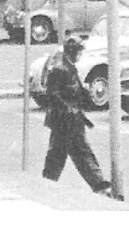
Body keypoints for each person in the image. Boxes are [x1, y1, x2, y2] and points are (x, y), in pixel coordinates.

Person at [42, 36, 113, 197]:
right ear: (73, 51)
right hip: (65, 119)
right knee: (80, 151)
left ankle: (47, 181)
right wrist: (69, 109)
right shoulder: (60, 68)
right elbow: (52, 94)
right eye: (79, 51)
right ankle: (99, 184)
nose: (80, 55)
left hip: (68, 118)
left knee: (59, 152)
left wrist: (87, 97)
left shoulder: (68, 66)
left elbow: (78, 88)